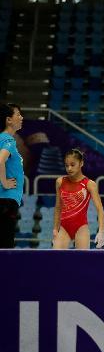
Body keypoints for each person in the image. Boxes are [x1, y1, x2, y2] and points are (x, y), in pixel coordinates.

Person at [53, 148, 104, 249]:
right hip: (64, 228)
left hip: (81, 228)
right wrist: (55, 229)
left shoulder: (89, 184)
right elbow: (58, 207)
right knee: (55, 256)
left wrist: (101, 231)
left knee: (82, 258)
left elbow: (100, 209)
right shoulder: (60, 182)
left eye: (73, 165)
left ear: (81, 163)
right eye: (66, 165)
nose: (69, 168)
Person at [0, 103, 24, 249]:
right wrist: (4, 182)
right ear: (8, 120)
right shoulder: (8, 140)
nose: (21, 118)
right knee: (6, 246)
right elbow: (0, 160)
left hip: (5, 200)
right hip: (6, 201)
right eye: (18, 115)